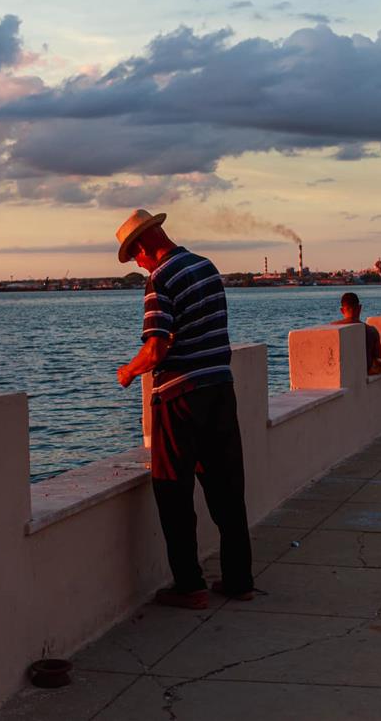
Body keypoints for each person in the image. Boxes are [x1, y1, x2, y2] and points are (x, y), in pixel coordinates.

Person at [114, 208, 254, 609]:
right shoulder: (206, 267)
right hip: (220, 389)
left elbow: (157, 348)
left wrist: (128, 371)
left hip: (181, 397)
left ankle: (189, 586)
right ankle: (239, 579)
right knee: (228, 490)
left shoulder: (160, 280)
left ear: (143, 246)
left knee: (172, 491)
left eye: (134, 257)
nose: (138, 265)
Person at [332, 292, 381, 375]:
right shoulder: (371, 331)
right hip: (364, 374)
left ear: (342, 310)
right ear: (359, 308)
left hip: (339, 375)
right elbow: (379, 362)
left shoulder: (332, 328)